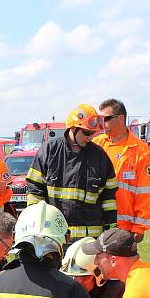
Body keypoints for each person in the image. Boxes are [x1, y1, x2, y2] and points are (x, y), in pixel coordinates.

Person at [26, 103, 117, 242]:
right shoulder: (49, 151)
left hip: (89, 240)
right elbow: (35, 190)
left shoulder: (99, 156)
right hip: (55, 236)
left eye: (93, 133)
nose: (90, 137)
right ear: (73, 128)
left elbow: (109, 196)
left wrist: (111, 228)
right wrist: (36, 223)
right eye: (87, 132)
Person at [94, 99, 150, 242]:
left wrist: (140, 227)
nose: (103, 123)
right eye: (101, 119)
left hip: (124, 228)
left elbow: (146, 193)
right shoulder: (97, 144)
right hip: (97, 222)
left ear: (121, 118)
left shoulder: (141, 152)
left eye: (107, 119)